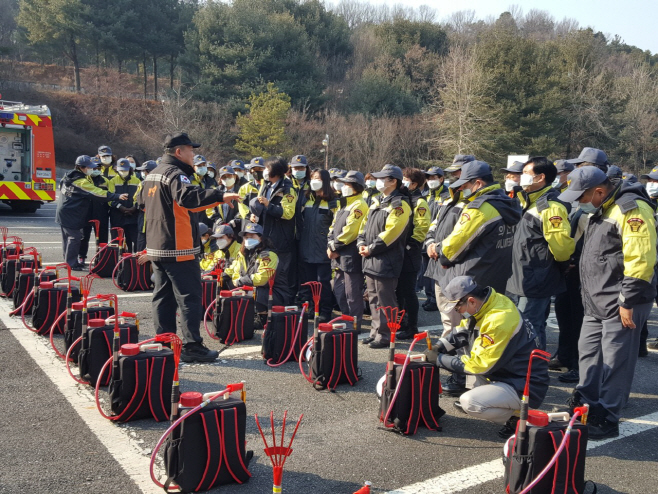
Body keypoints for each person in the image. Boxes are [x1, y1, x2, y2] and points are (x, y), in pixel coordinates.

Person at [558, 165, 656, 439]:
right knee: (588, 352)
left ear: (599, 191)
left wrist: (629, 300)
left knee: (616, 359)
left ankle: (608, 416)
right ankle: (585, 403)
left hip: (622, 300)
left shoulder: (630, 209)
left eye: (581, 197)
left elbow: (641, 259)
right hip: (596, 297)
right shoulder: (602, 207)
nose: (579, 202)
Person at [137, 132, 240, 363]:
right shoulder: (175, 174)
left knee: (162, 297)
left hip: (157, 246)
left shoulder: (153, 174)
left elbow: (142, 203)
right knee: (189, 298)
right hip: (178, 247)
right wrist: (220, 196)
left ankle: (164, 343)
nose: (194, 155)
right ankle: (193, 346)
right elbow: (188, 197)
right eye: (190, 150)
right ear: (178, 152)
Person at [431, 159, 521, 394]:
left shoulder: (481, 207)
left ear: (478, 183)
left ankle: (464, 380)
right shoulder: (507, 203)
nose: (461, 190)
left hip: (472, 276)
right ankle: (488, 375)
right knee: (489, 329)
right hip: (496, 274)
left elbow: (454, 245)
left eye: (464, 185)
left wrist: (440, 253)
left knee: (467, 329)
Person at [424, 276, 548, 437]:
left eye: (457, 308)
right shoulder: (492, 302)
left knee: (471, 402)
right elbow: (464, 331)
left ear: (471, 301)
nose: (458, 312)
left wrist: (439, 359)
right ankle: (501, 402)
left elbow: (478, 366)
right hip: (510, 372)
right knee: (470, 346)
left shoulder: (498, 320)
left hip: (525, 385)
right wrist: (439, 346)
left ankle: (519, 417)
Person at [506, 157, 575, 350]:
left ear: (540, 177)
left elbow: (561, 246)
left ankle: (532, 373)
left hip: (536, 279)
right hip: (524, 278)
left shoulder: (550, 207)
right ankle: (535, 369)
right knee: (533, 326)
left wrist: (562, 265)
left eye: (526, 173)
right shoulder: (528, 201)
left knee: (528, 328)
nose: (521, 177)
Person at [357, 164, 412, 349]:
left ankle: (386, 334)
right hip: (370, 257)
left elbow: (392, 233)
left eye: (382, 178)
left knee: (385, 299)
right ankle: (375, 332)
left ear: (393, 181)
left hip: (386, 259)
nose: (378, 181)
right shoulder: (377, 200)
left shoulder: (400, 204)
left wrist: (371, 248)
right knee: (372, 297)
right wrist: (361, 243)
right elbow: (364, 225)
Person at [56, 155, 127, 270]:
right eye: (89, 167)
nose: (92, 169)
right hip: (71, 213)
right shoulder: (80, 181)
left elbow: (60, 187)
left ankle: (68, 261)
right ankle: (71, 263)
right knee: (75, 237)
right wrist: (117, 196)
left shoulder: (68, 175)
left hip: (64, 210)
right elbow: (97, 192)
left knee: (67, 238)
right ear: (81, 167)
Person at [249, 156, 297, 305]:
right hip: (266, 236)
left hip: (281, 240)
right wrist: (255, 215)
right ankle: (266, 308)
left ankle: (284, 307)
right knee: (265, 272)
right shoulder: (266, 186)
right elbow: (261, 205)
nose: (264, 172)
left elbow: (288, 213)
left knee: (281, 276)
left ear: (275, 171)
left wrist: (269, 205)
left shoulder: (288, 189)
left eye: (267, 169)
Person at [328, 171, 368, 332]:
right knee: (339, 290)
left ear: (355, 187)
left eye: (347, 184)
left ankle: (355, 323)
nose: (343, 187)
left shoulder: (360, 205)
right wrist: (330, 243)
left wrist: (335, 247)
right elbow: (333, 226)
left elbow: (351, 231)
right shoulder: (344, 203)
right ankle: (346, 318)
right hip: (337, 254)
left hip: (349, 254)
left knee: (352, 292)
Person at [396, 168, 430, 340]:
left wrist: (411, 244)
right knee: (399, 291)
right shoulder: (403, 197)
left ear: (414, 184)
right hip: (399, 251)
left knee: (408, 291)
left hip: (410, 252)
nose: (403, 182)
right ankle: (401, 321)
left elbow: (422, 227)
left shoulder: (419, 202)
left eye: (405, 179)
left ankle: (412, 326)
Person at [224, 223, 280, 327]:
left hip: (274, 292)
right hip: (252, 288)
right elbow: (235, 272)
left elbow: (262, 279)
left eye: (252, 236)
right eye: (246, 237)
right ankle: (247, 313)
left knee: (255, 290)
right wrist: (237, 281)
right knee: (231, 283)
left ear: (260, 238)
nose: (248, 239)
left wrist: (241, 281)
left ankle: (262, 317)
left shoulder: (269, 255)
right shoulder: (242, 254)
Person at [298, 168, 336, 322]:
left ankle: (325, 311)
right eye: (312, 177)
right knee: (309, 282)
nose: (314, 180)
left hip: (323, 250)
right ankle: (312, 309)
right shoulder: (306, 199)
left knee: (323, 283)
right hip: (306, 248)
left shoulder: (333, 201)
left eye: (318, 178)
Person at [421, 166, 448, 312]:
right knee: (425, 271)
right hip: (424, 238)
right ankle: (429, 296)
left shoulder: (446, 195)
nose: (431, 180)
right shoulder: (425, 194)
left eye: (434, 178)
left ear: (441, 178)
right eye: (429, 178)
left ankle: (434, 300)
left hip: (436, 240)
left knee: (434, 272)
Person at [78, 156, 110, 266]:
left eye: (99, 168)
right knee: (83, 237)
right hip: (85, 213)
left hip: (101, 212)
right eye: (94, 167)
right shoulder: (83, 180)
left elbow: (109, 196)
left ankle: (102, 258)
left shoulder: (105, 181)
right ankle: (81, 257)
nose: (96, 170)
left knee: (102, 237)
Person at [640, 166, 658, 353]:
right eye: (650, 181)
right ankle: (641, 345)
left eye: (656, 181)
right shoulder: (648, 202)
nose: (652, 184)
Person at [107, 158, 141, 253]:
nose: (123, 172)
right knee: (117, 240)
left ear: (129, 169)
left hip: (133, 215)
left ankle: (131, 261)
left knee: (134, 240)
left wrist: (134, 207)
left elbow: (139, 197)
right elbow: (110, 198)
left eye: (125, 170)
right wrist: (120, 207)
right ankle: (116, 261)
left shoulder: (137, 180)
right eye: (121, 170)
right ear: (117, 169)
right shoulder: (112, 181)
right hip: (117, 215)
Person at [133, 159, 158, 252]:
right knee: (141, 246)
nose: (143, 173)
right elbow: (135, 199)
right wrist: (140, 206)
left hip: (156, 221)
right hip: (143, 220)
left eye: (144, 171)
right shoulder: (142, 184)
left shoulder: (160, 184)